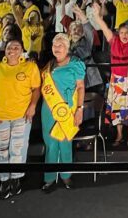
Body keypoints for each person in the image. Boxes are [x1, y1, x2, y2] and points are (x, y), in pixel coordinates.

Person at [0, 39, 41, 200]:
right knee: (1, 150)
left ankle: (16, 179)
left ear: (22, 50)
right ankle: (4, 181)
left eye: (16, 47)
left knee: (18, 149)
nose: (12, 50)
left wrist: (33, 106)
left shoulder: (30, 67)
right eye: (9, 47)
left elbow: (36, 89)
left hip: (22, 116)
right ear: (4, 50)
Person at [92, 2, 128, 146]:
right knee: (117, 110)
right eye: (122, 33)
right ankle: (119, 135)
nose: (124, 35)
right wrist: (97, 16)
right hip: (116, 81)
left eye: (127, 32)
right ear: (118, 34)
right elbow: (104, 27)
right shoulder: (113, 41)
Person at [40, 34, 86, 192]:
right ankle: (49, 178)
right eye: (55, 45)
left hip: (68, 109)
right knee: (51, 144)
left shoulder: (76, 64)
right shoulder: (49, 65)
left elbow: (80, 87)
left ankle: (66, 176)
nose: (57, 48)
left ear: (67, 48)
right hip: (48, 109)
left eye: (61, 45)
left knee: (66, 143)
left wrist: (80, 110)